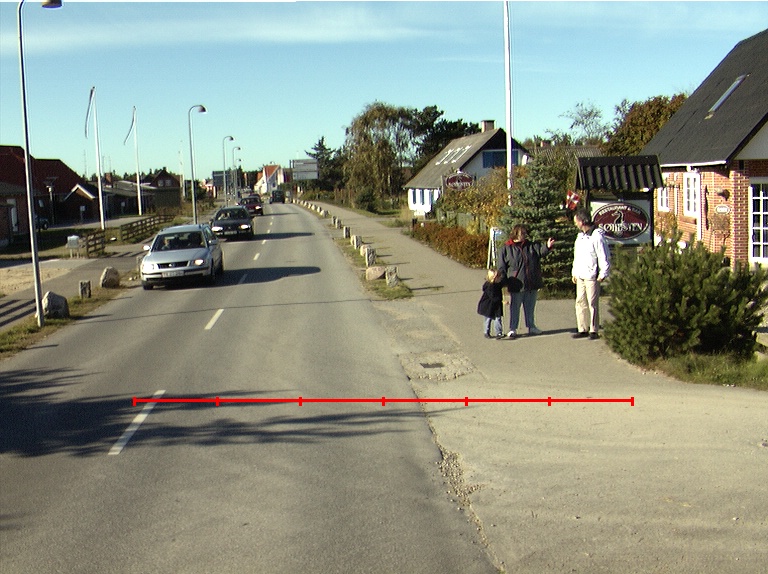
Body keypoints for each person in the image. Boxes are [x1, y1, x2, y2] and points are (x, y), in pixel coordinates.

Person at [497, 224, 555, 338]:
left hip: (531, 282)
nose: (524, 235)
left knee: (530, 307)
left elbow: (540, 252)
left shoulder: (531, 246)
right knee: (515, 307)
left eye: (525, 233)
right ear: (515, 233)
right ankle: (513, 328)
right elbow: (502, 267)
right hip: (516, 283)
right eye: (522, 233)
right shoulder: (506, 248)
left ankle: (531, 326)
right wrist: (501, 282)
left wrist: (547, 247)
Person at [571, 209, 611, 340]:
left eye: (576, 221)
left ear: (582, 221)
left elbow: (603, 255)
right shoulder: (580, 236)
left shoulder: (597, 236)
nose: (575, 223)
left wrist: (603, 272)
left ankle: (594, 329)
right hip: (580, 274)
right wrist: (574, 272)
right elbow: (577, 256)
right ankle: (582, 328)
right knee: (580, 302)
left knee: (592, 303)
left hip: (592, 275)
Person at [477, 269, 505, 339]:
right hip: (489, 305)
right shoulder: (489, 286)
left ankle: (499, 332)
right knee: (488, 319)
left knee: (498, 318)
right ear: (494, 278)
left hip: (497, 305)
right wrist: (502, 301)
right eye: (499, 277)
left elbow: (502, 284)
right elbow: (493, 296)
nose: (500, 278)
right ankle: (486, 332)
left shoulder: (498, 284)